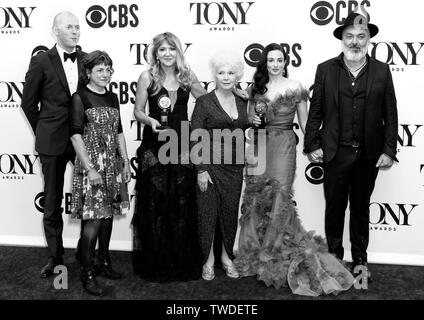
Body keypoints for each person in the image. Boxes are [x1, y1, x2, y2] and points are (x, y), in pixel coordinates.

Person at [234, 43, 355, 297]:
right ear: (264, 62)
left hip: (284, 145)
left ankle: (272, 253)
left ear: (285, 61)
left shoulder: (296, 86)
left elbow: (305, 122)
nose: (275, 64)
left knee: (279, 196)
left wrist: (321, 144)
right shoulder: (254, 88)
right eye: (271, 60)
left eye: (279, 60)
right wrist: (253, 123)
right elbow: (247, 121)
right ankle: (253, 255)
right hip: (259, 146)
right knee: (255, 198)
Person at [304, 13, 398, 283]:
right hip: (335, 152)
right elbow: (317, 110)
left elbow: (390, 113)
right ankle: (334, 259)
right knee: (334, 208)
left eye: (361, 36)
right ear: (341, 39)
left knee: (360, 208)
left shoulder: (382, 70)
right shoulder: (325, 69)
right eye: (350, 36)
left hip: (369, 154)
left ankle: (360, 260)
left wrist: (389, 150)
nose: (355, 41)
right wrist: (311, 143)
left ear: (369, 39)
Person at [131, 32, 206, 282]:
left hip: (182, 146)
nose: (167, 54)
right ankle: (157, 261)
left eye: (171, 49)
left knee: (182, 204)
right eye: (162, 50)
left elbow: (208, 101)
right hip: (154, 147)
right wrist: (149, 119)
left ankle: (179, 260)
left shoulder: (187, 76)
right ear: (155, 53)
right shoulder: (147, 77)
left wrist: (237, 95)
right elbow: (138, 111)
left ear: (178, 52)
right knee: (154, 204)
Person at [21, 11, 85, 278]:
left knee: (91, 200)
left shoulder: (87, 59)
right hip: (52, 140)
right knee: (52, 202)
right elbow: (28, 102)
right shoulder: (42, 61)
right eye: (69, 26)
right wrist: (44, 130)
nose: (75, 31)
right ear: (55, 31)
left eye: (77, 26)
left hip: (83, 139)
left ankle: (87, 254)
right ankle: (55, 258)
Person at [70, 50, 130, 296]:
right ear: (88, 73)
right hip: (92, 165)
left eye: (108, 70)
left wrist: (125, 162)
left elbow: (119, 133)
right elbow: (75, 135)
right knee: (94, 219)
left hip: (112, 165)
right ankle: (87, 272)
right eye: (99, 70)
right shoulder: (79, 97)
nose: (105, 74)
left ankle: (103, 262)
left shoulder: (113, 97)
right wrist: (90, 168)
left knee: (107, 217)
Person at [191, 51, 249, 281]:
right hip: (210, 166)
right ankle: (208, 261)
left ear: (237, 75)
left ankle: (226, 258)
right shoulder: (204, 102)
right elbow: (194, 136)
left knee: (229, 214)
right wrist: (201, 169)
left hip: (234, 167)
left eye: (231, 72)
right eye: (221, 72)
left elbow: (248, 126)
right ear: (214, 75)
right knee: (207, 214)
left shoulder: (243, 100)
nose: (226, 77)